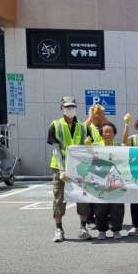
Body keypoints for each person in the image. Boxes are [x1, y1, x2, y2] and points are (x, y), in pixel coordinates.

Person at [47, 96, 91, 243]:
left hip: (80, 169)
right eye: (67, 107)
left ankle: (83, 228)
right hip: (61, 168)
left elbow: (89, 148)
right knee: (59, 198)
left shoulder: (84, 127)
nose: (70, 109)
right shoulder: (55, 125)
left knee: (82, 196)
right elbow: (56, 150)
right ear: (61, 109)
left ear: (76, 108)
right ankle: (59, 229)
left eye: (72, 107)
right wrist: (61, 170)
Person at [92, 121, 125, 240]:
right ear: (101, 133)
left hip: (115, 181)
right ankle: (102, 231)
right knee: (100, 209)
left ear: (114, 133)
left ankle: (116, 230)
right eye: (105, 131)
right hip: (99, 182)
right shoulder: (94, 146)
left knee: (117, 208)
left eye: (110, 131)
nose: (108, 133)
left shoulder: (120, 147)